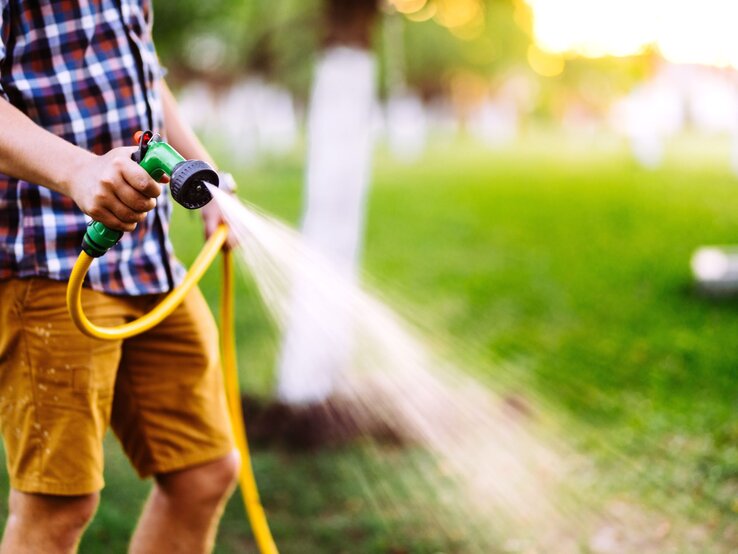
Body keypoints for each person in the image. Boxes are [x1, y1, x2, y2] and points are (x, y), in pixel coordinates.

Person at [0, 1, 239, 552]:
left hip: (148, 262)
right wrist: (78, 171)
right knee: (57, 508)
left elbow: (142, 72)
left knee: (202, 473)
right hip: (50, 263)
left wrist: (203, 176)